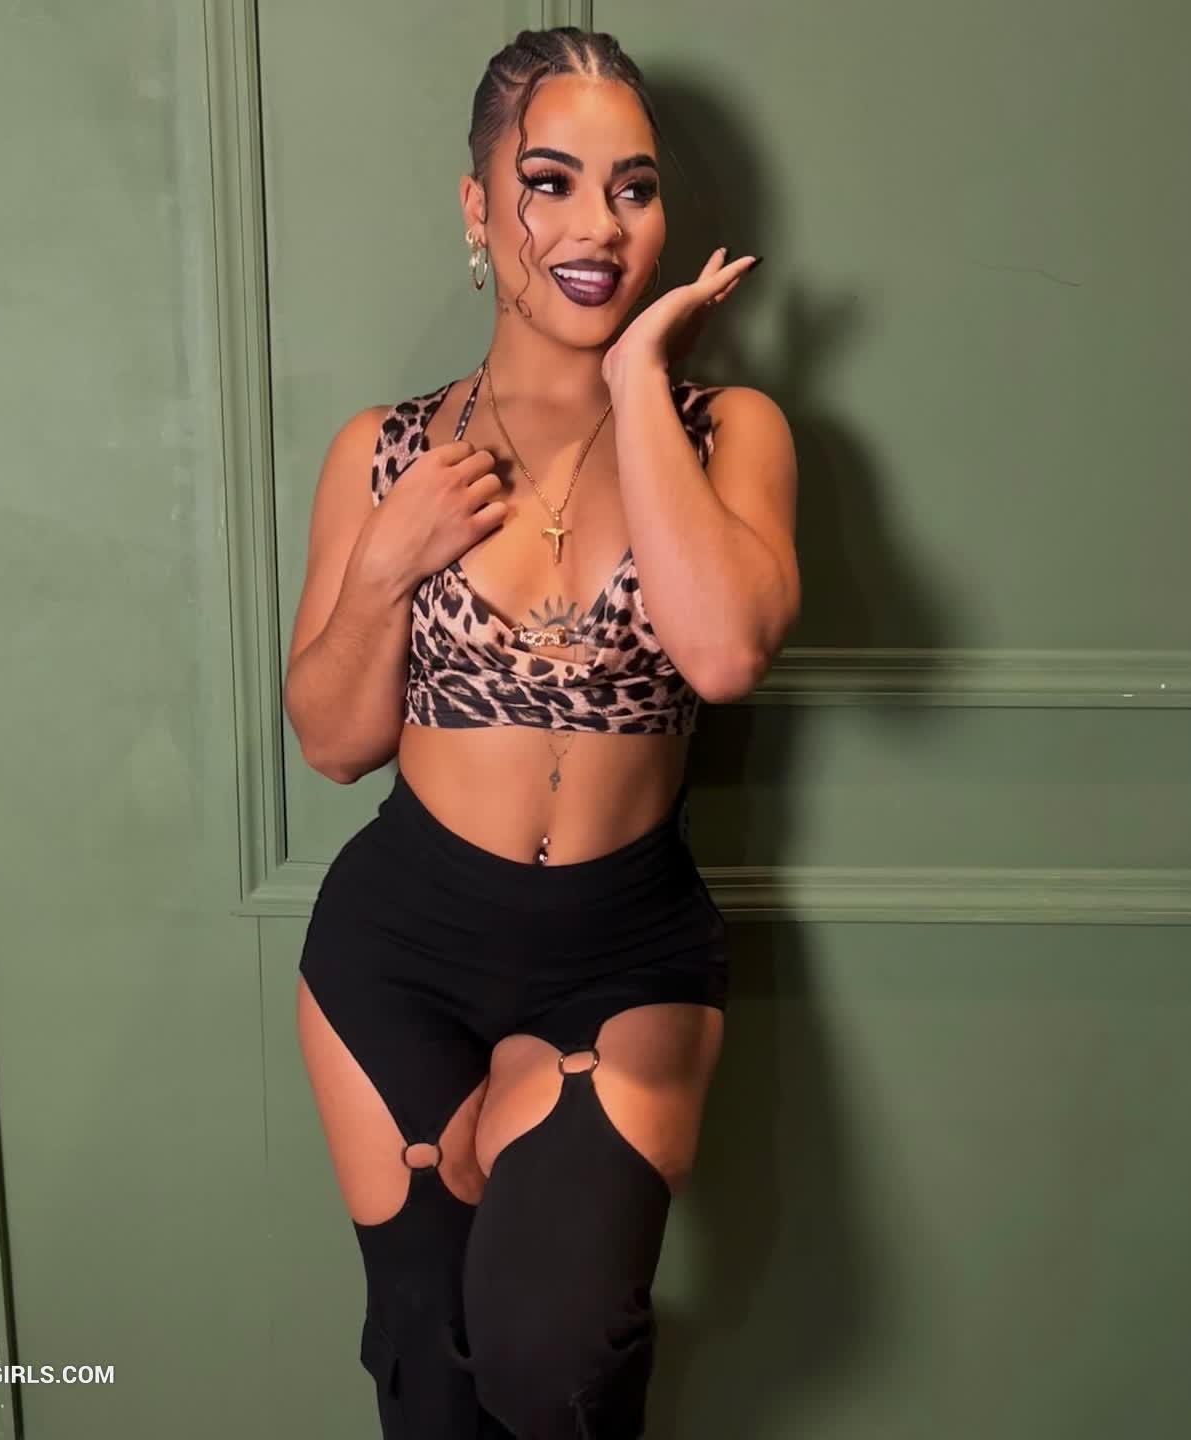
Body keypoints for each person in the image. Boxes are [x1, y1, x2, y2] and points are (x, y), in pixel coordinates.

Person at [285, 25, 798, 1439]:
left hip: (621, 955)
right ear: (478, 206)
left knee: (553, 1361)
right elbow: (332, 743)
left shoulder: (728, 431)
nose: (598, 226)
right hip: (399, 949)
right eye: (552, 182)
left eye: (633, 188)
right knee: (428, 1373)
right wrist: (384, 568)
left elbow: (724, 652)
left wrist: (636, 380)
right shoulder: (382, 451)